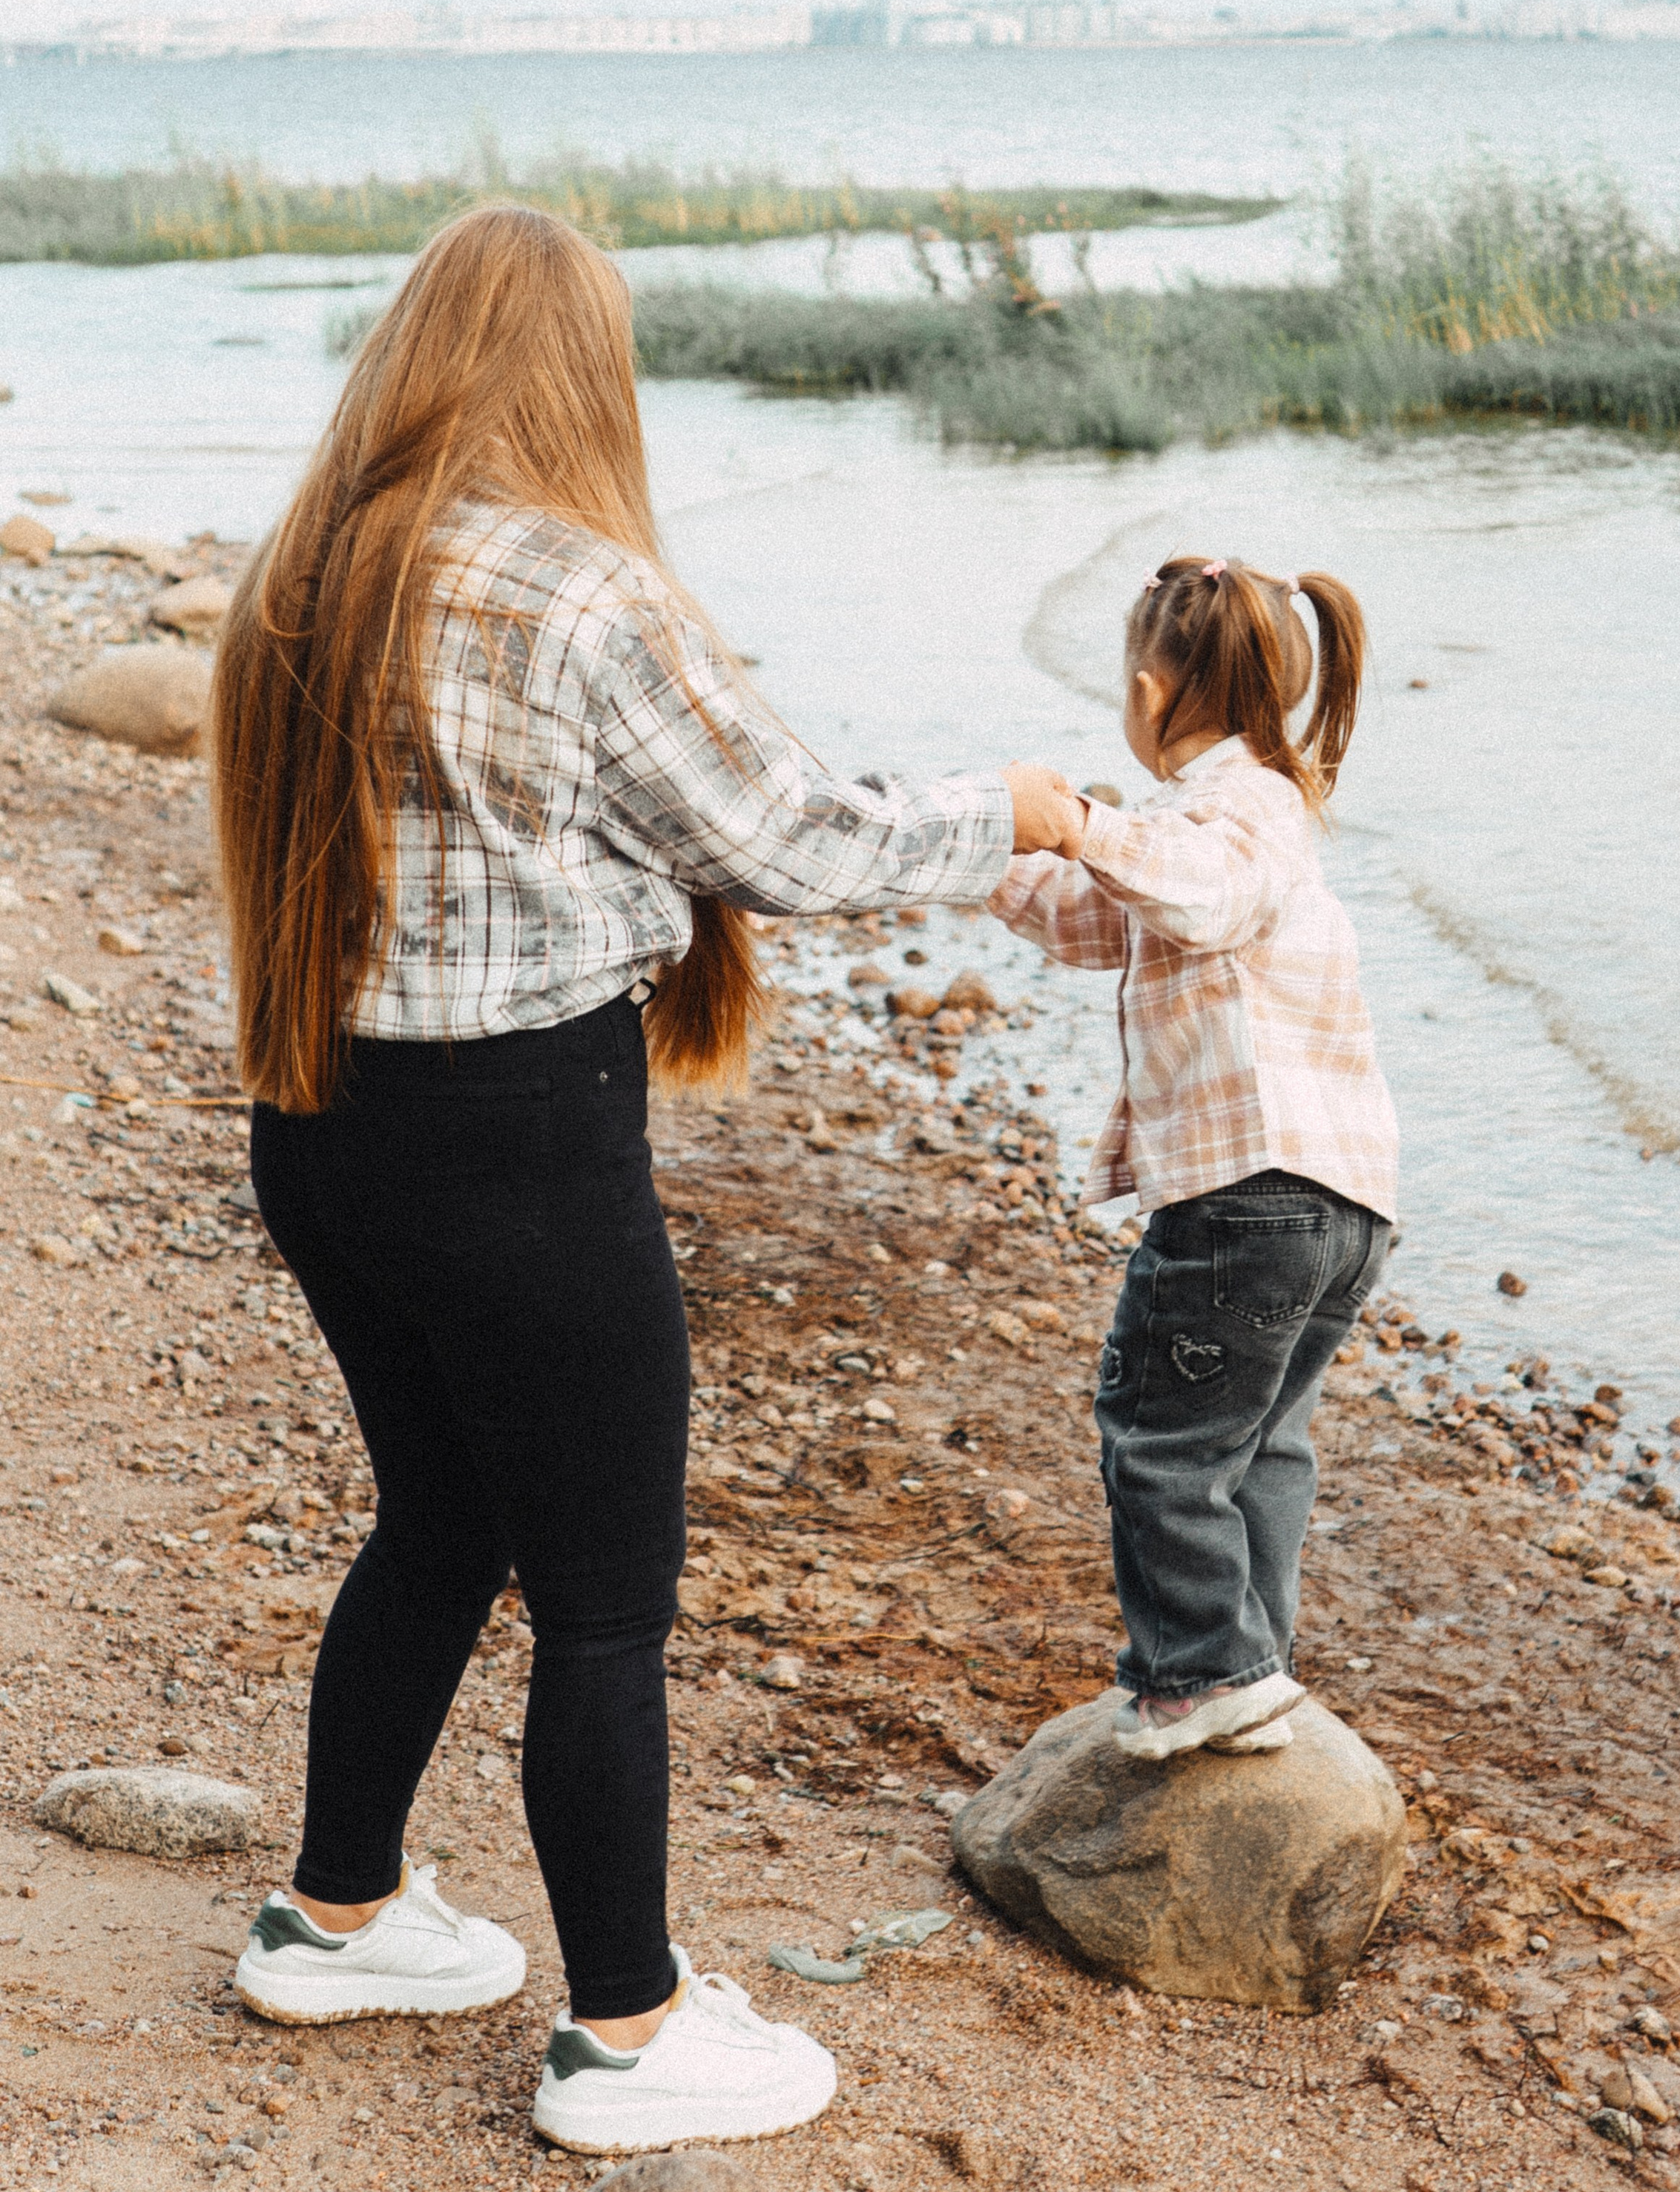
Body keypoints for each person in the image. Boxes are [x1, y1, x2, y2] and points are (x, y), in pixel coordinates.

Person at [208, 203, 1073, 2159]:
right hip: (516, 1143)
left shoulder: (306, 569)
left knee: (436, 1521)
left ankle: (335, 1911)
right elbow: (792, 838)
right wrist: (1004, 809)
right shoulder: (578, 593)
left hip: (321, 1131)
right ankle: (625, 2027)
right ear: (580, 372)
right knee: (604, 1599)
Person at [989, 554, 1397, 1760]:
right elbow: (1094, 923)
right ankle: (1252, 1667)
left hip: (1249, 1202)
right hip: (1336, 1208)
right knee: (1257, 1445)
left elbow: (1203, 895)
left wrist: (1083, 819)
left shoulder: (1240, 811)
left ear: (1153, 688)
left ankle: (1203, 1670)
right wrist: (983, 849)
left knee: (1159, 1437)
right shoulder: (1248, 813)